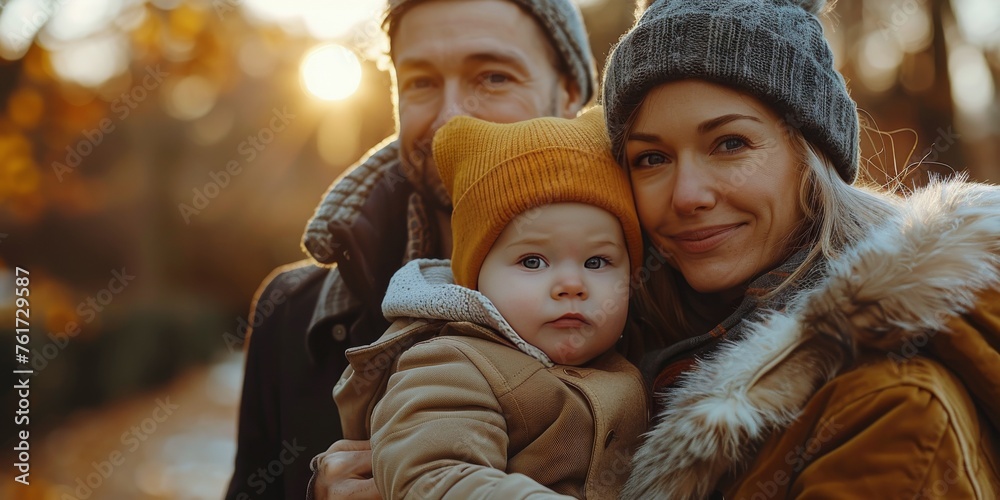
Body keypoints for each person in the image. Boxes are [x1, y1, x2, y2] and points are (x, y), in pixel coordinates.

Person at [599, 0, 1000, 497]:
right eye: (651, 158)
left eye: (730, 144)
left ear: (811, 156)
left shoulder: (886, 403)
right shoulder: (615, 352)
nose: (687, 195)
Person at [225, 0, 596, 498]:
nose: (450, 117)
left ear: (569, 92)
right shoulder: (294, 314)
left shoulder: (653, 300)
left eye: (493, 77)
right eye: (421, 82)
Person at [334, 107, 648, 498]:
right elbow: (437, 476)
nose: (572, 285)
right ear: (475, 278)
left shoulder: (635, 352)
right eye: (532, 262)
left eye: (597, 262)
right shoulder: (451, 365)